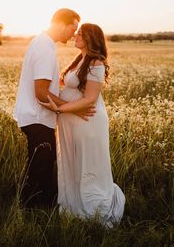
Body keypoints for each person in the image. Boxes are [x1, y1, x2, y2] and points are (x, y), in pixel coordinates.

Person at [40, 23, 125, 227]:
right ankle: (74, 204)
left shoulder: (96, 62)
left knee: (88, 161)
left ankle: (96, 208)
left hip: (87, 120)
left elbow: (90, 99)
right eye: (76, 32)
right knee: (73, 160)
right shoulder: (80, 59)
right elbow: (68, 87)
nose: (75, 35)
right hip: (71, 120)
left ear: (90, 38)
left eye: (80, 33)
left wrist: (59, 109)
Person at [13, 9, 95, 209]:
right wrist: (72, 108)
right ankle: (32, 210)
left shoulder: (42, 42)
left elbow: (46, 85)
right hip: (37, 117)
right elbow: (41, 92)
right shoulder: (45, 48)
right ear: (60, 24)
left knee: (41, 164)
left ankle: (36, 206)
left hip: (35, 116)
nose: (73, 34)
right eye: (72, 28)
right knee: (41, 166)